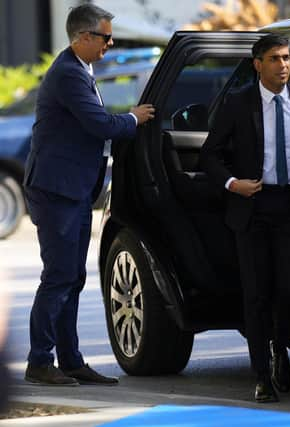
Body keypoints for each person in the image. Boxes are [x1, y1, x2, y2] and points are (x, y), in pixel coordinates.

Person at [22, 4, 155, 386]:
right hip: (57, 190)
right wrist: (133, 119)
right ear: (82, 37)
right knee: (60, 276)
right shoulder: (68, 73)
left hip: (74, 189)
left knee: (73, 276)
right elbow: (99, 124)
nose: (110, 43)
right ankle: (40, 361)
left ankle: (70, 360)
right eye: (105, 37)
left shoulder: (80, 68)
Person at [200, 34, 290, 403]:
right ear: (258, 64)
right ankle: (261, 376)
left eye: (286, 58)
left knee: (288, 289)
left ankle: (280, 350)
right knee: (256, 295)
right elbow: (210, 155)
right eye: (274, 59)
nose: (283, 65)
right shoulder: (239, 104)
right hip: (252, 208)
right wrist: (232, 183)